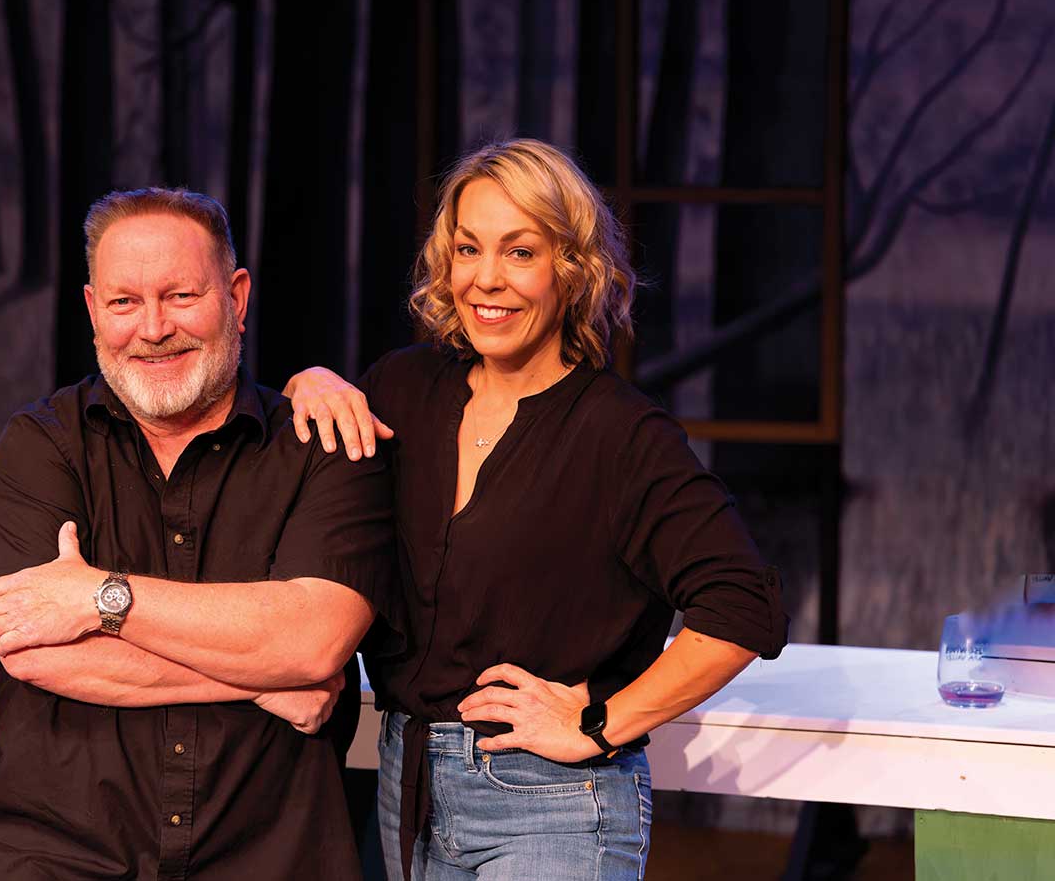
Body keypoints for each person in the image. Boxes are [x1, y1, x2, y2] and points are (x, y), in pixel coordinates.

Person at [284, 139, 788, 880]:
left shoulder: (620, 434)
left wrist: (598, 723)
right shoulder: (402, 391)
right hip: (408, 789)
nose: (486, 279)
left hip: (552, 804)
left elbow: (744, 606)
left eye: (520, 252)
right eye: (467, 248)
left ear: (572, 268)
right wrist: (308, 380)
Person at [0, 187, 398, 881]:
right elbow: (31, 651)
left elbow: (313, 643)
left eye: (180, 296)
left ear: (237, 298)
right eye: (125, 302)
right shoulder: (40, 445)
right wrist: (257, 677)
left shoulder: (324, 446)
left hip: (268, 860)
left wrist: (99, 598)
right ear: (94, 311)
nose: (154, 328)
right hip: (51, 857)